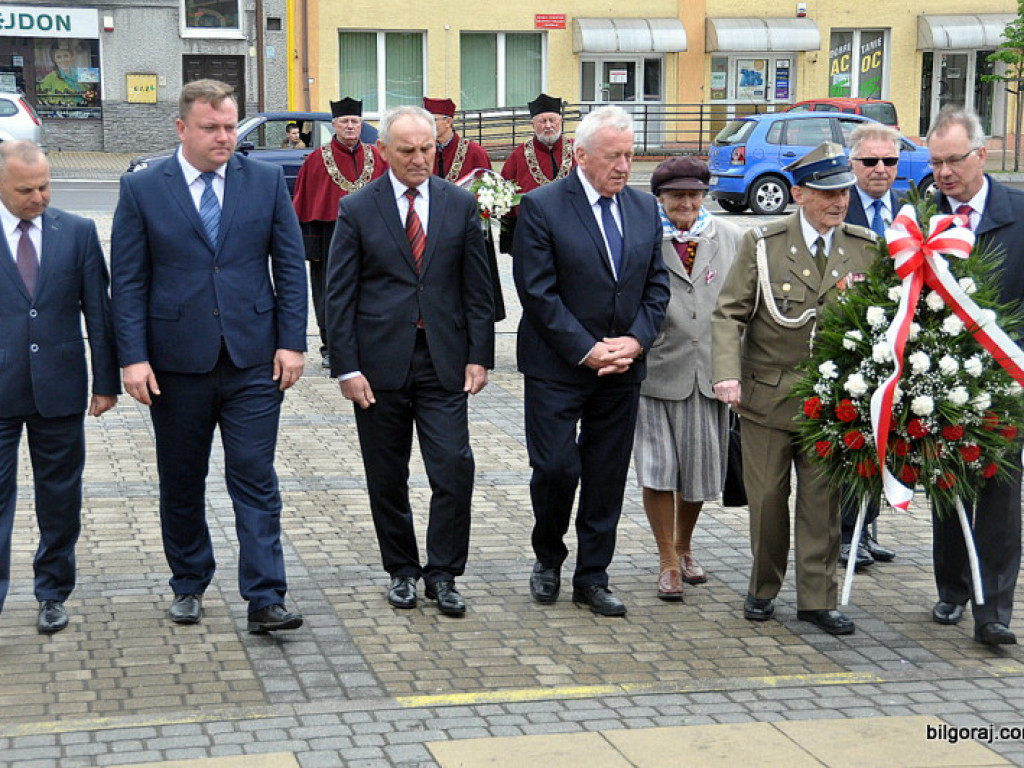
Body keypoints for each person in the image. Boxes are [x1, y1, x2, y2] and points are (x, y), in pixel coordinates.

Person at [110, 79, 308, 633]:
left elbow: (290, 268)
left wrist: (293, 341)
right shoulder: (145, 189)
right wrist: (133, 357)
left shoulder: (264, 182)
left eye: (229, 126)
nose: (224, 137)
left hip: (253, 359)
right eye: (211, 128)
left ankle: (266, 596)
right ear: (181, 128)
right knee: (181, 478)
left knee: (253, 474)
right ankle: (189, 582)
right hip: (174, 364)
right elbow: (127, 281)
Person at [325, 105, 494, 617]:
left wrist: (479, 356)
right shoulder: (358, 208)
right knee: (386, 474)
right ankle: (401, 569)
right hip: (379, 367)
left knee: (453, 469)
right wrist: (346, 367)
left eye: (427, 148)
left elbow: (477, 288)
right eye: (408, 150)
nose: (420, 158)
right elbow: (339, 295)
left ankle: (443, 573)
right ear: (384, 152)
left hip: (445, 360)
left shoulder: (460, 204)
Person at [712, 142, 876, 635]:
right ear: (800, 194)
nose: (839, 201)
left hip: (831, 404)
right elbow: (728, 312)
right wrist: (727, 372)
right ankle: (763, 587)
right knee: (766, 502)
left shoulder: (863, 247)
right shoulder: (764, 244)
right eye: (827, 192)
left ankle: (818, 598)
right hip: (768, 396)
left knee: (822, 503)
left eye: (843, 191)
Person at [513, 105, 670, 617]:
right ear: (581, 156)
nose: (624, 166)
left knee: (605, 475)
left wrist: (636, 341)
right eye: (613, 157)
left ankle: (592, 576)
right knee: (556, 468)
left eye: (629, 155)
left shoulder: (645, 209)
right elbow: (537, 292)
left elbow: (656, 285)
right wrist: (587, 348)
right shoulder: (542, 206)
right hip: (559, 366)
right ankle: (548, 554)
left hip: (622, 369)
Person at [0, 140, 119, 635]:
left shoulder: (77, 232)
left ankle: (52, 591)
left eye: (45, 186)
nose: (39, 197)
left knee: (60, 499)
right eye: (26, 190)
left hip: (61, 390)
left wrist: (106, 381)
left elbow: (100, 311)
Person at [926, 105, 1024, 646]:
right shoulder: (922, 216)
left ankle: (993, 612)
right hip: (939, 379)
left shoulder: (1017, 212)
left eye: (954, 161)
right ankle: (953, 587)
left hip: (1005, 382)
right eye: (937, 162)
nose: (944, 173)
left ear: (982, 155)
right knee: (946, 484)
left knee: (999, 495)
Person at [634, 157, 744, 600]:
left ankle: (684, 546)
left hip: (710, 373)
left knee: (699, 471)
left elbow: (744, 303)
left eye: (694, 194)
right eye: (676, 194)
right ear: (660, 198)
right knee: (658, 469)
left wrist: (737, 368)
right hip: (655, 370)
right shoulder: (644, 240)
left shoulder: (732, 238)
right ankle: (666, 561)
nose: (686, 203)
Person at [839, 122, 903, 570]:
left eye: (889, 161)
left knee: (887, 438)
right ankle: (845, 535)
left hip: (897, 344)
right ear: (852, 163)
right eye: (870, 161)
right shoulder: (840, 208)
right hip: (848, 343)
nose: (880, 169)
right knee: (852, 440)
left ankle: (867, 526)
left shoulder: (909, 211)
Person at [292, 97, 386, 368]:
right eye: (344, 121)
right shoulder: (315, 160)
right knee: (329, 293)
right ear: (333, 125)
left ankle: (370, 342)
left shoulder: (378, 156)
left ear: (361, 125)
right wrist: (311, 248)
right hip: (329, 237)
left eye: (355, 121)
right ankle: (330, 346)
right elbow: (305, 202)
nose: (350, 126)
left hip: (374, 236)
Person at [422, 96, 505, 322]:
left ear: (448, 122)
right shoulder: (422, 150)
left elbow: (491, 194)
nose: (427, 125)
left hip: (468, 233)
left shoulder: (474, 151)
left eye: (433, 120)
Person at [499, 93, 575, 253]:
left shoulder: (578, 150)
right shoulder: (518, 155)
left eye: (552, 120)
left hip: (573, 231)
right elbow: (506, 196)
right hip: (531, 234)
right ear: (533, 125)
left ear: (560, 122)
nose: (548, 125)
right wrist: (509, 239)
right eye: (542, 121)